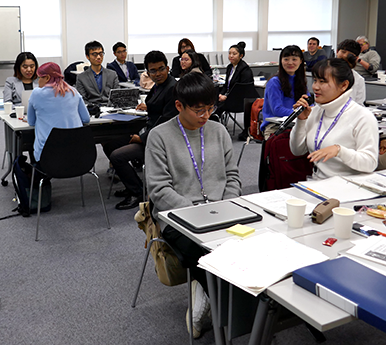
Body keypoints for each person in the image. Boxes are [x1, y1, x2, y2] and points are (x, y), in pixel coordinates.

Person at [145, 72, 242, 338]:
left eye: (210, 108)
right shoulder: (159, 136)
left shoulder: (219, 131)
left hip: (222, 209)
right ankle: (229, 315)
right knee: (205, 252)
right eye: (199, 110)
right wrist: (194, 212)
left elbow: (232, 176)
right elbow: (159, 190)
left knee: (250, 245)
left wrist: (226, 204)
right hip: (178, 216)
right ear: (179, 106)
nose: (205, 116)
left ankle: (209, 293)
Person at [108, 51, 178, 210]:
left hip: (160, 140)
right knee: (109, 144)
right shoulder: (159, 86)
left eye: (161, 69)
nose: (158, 73)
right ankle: (131, 184)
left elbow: (166, 121)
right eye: (153, 70)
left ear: (167, 68)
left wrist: (142, 138)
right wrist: (148, 107)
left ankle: (137, 192)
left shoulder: (172, 88)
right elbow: (158, 109)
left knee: (116, 156)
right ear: (147, 72)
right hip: (149, 131)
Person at [289, 59, 379, 179]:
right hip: (317, 184)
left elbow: (370, 163)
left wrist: (340, 151)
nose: (315, 87)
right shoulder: (315, 111)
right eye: (315, 80)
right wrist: (301, 121)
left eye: (322, 81)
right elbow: (297, 151)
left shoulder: (362, 116)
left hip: (349, 187)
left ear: (343, 85)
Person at [27, 62, 90, 162]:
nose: (38, 81)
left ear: (47, 78)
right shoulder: (73, 91)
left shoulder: (36, 94)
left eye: (40, 78)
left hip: (48, 155)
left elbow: (31, 122)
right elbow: (86, 119)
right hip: (77, 153)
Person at [260, 45, 307, 139]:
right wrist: (299, 114)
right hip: (275, 126)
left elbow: (308, 103)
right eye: (286, 59)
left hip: (296, 123)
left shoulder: (300, 81)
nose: (290, 63)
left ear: (301, 61)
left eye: (294, 59)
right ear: (281, 61)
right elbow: (277, 110)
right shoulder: (274, 82)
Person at [75, 40, 119, 105]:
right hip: (92, 110)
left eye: (101, 54)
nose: (98, 57)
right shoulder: (81, 77)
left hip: (110, 109)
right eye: (95, 54)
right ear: (87, 56)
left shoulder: (112, 74)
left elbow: (117, 96)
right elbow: (82, 99)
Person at [335, 39, 366, 105]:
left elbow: (359, 104)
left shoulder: (358, 79)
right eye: (343, 52)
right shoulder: (325, 73)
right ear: (337, 51)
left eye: (350, 55)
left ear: (356, 58)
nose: (345, 56)